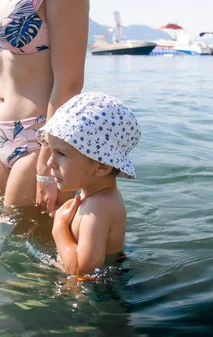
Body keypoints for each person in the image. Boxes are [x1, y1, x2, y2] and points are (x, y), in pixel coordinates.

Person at [0, 0, 89, 212]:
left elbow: (70, 84)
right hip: (3, 132)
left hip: (39, 137)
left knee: (26, 232)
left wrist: (46, 162)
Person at [37, 92, 141, 276]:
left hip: (98, 298)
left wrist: (59, 228)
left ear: (101, 166)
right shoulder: (94, 196)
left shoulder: (99, 207)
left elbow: (82, 271)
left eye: (61, 154)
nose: (50, 162)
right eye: (51, 152)